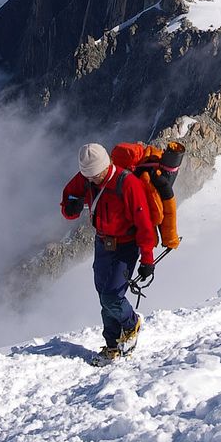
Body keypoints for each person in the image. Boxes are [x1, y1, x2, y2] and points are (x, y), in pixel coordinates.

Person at [61, 142, 157, 363]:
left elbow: (144, 224)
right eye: (88, 176)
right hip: (102, 243)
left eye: (95, 175)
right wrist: (70, 208)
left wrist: (147, 258)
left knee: (111, 296)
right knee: (104, 295)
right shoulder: (87, 177)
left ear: (106, 166)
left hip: (126, 245)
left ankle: (132, 323)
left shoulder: (128, 184)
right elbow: (68, 197)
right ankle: (112, 345)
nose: (92, 180)